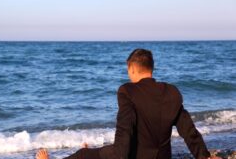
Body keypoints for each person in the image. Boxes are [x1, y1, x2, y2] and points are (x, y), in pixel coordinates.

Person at [36, 49, 218, 159]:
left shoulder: (127, 91)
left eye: (128, 71)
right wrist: (204, 156)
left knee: (83, 155)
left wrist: (119, 156)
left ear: (132, 69)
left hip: (132, 155)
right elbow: (189, 131)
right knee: (95, 154)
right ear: (151, 68)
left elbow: (125, 128)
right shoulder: (171, 92)